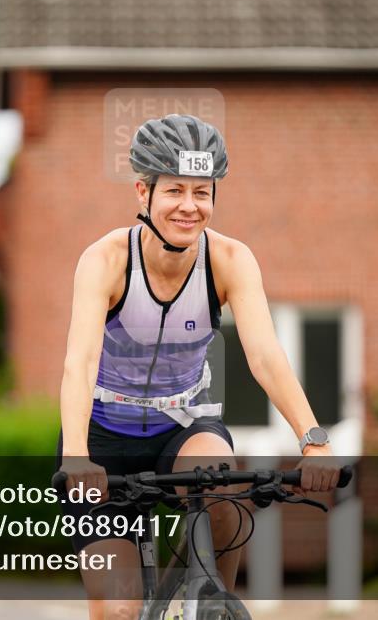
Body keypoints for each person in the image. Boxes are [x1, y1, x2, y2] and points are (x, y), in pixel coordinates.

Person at [55, 113, 341, 620]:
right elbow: (80, 362)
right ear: (142, 193)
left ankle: (213, 603)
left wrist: (313, 439)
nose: (189, 207)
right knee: (117, 611)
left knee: (221, 482)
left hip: (182, 425)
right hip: (102, 438)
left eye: (202, 193)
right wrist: (77, 456)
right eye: (175, 191)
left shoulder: (230, 260)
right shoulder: (105, 260)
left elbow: (266, 356)